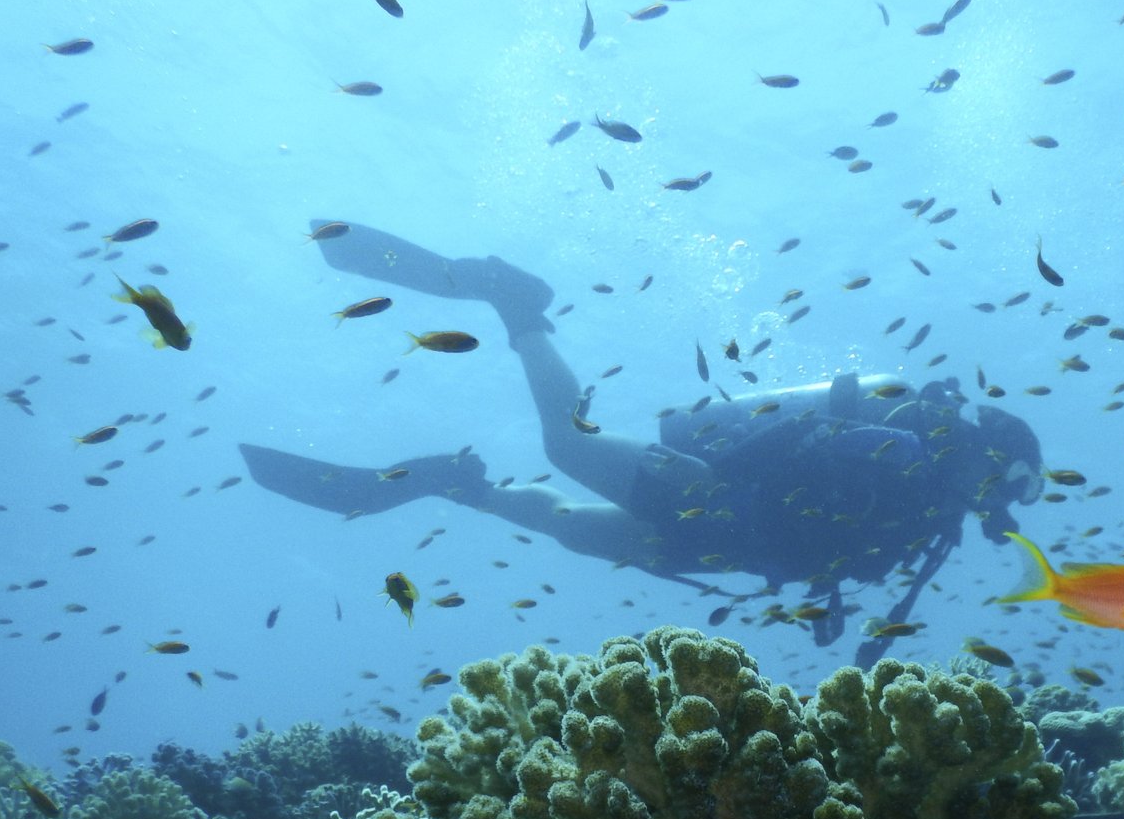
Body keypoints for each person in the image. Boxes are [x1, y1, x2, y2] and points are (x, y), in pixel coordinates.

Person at [241, 223, 1045, 665]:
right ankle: (517, 305)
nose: (1007, 508)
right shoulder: (914, 460)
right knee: (566, 447)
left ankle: (458, 483)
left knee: (569, 527)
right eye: (1019, 487)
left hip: (732, 546)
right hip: (718, 495)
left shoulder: (932, 514)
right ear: (999, 461)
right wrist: (724, 482)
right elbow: (804, 457)